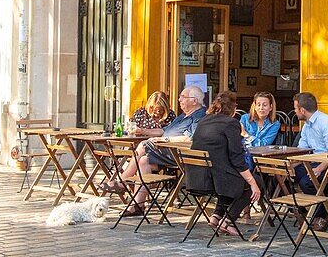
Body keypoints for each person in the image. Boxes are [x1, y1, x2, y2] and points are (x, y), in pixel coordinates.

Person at [101, 86, 207, 215]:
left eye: (183, 97)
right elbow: (163, 130)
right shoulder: (183, 116)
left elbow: (189, 138)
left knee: (143, 145)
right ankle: (138, 205)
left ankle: (122, 181)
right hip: (167, 151)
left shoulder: (200, 116)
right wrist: (143, 131)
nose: (179, 100)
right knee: (144, 161)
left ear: (194, 101)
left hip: (180, 153)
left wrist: (165, 140)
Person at [190, 91, 262, 236]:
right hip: (217, 180)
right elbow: (237, 157)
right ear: (233, 108)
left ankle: (216, 216)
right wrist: (253, 182)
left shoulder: (204, 121)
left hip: (198, 178)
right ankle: (228, 221)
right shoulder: (231, 123)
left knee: (232, 177)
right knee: (257, 181)